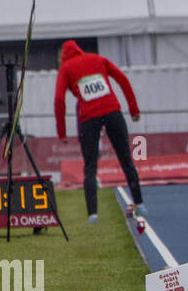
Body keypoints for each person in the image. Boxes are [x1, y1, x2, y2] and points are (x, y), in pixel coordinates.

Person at [54, 40, 145, 222]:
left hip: (89, 117)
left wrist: (62, 131)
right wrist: (133, 108)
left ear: (62, 57)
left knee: (90, 167)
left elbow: (59, 99)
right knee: (126, 159)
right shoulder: (98, 59)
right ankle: (140, 204)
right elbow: (122, 79)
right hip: (112, 111)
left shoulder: (65, 69)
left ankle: (93, 215)